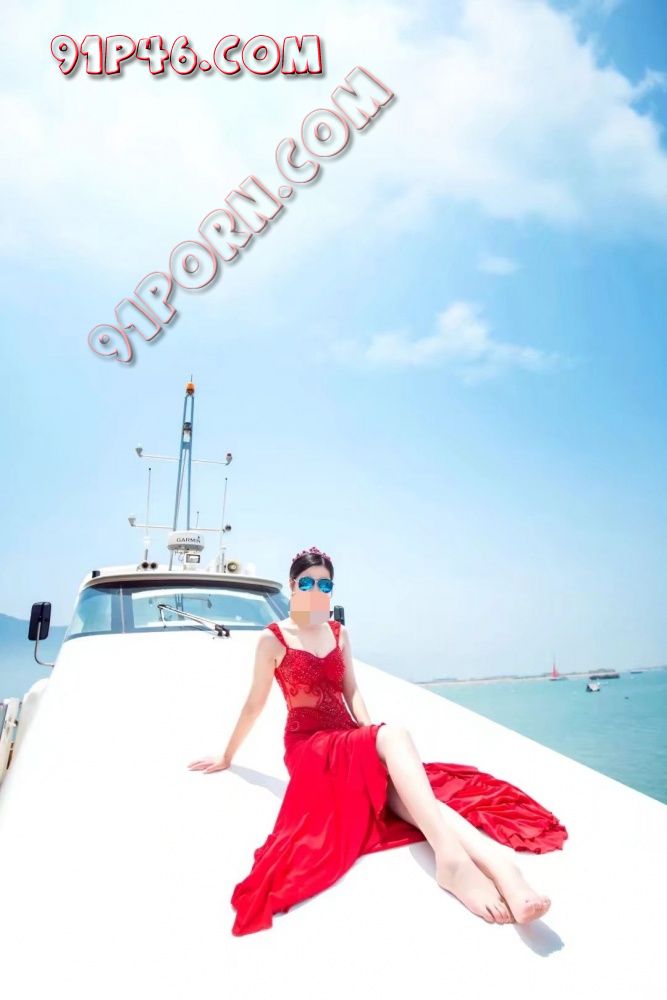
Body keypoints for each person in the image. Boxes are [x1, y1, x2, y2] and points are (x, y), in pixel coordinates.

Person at [188, 546, 568, 936]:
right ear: (292, 584)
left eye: (324, 584)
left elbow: (351, 690)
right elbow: (254, 704)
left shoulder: (338, 632)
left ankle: (502, 869)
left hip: (347, 735)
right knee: (397, 738)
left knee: (403, 793)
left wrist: (370, 743)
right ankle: (454, 860)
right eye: (307, 582)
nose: (316, 590)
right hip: (308, 748)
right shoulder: (273, 639)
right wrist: (227, 755)